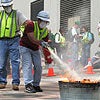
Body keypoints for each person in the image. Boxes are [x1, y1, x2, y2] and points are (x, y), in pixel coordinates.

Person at [20, 10, 53, 93]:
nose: (44, 23)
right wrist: (41, 42)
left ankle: (36, 85)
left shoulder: (45, 31)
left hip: (35, 49)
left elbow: (45, 46)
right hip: (25, 47)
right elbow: (32, 38)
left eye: (46, 22)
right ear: (39, 20)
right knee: (28, 65)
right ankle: (28, 85)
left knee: (38, 66)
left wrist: (47, 58)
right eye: (43, 21)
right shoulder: (31, 25)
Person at [0, 0, 27, 90]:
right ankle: (2, 81)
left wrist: (22, 32)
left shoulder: (17, 14)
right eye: (5, 6)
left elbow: (25, 23)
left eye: (8, 6)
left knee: (15, 62)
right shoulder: (0, 14)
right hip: (2, 41)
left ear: (12, 5)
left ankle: (15, 83)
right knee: (1, 63)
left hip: (14, 40)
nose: (6, 8)